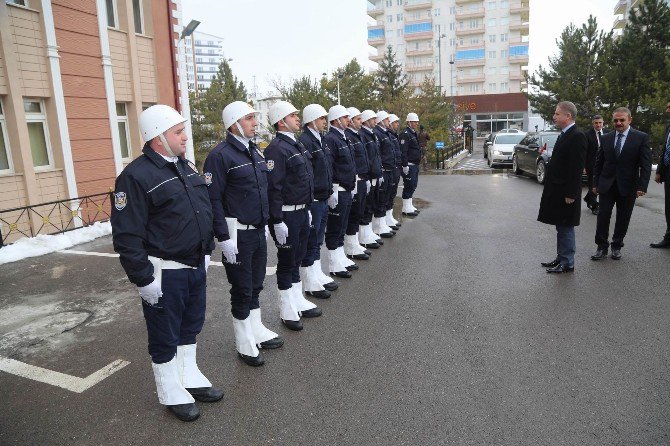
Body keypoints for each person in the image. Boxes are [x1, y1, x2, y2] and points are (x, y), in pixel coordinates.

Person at [112, 104, 223, 422]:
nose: (185, 136)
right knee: (165, 334)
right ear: (158, 137)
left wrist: (208, 247)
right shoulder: (135, 177)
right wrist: (143, 279)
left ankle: (188, 377)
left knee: (190, 326)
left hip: (194, 266)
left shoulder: (185, 167)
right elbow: (126, 234)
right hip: (165, 272)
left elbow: (201, 209)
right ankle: (170, 391)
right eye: (178, 132)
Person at [203, 101, 284, 367]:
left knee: (256, 283)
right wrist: (223, 238)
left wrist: (273, 222)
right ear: (234, 123)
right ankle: (244, 342)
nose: (255, 123)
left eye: (255, 118)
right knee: (241, 287)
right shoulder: (220, 156)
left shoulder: (255, 152)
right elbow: (213, 200)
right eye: (249, 118)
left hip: (257, 230)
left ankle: (256, 329)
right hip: (237, 234)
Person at [264, 101, 322, 331]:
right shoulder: (276, 149)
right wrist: (277, 220)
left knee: (297, 257)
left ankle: (297, 299)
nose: (298, 118)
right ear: (281, 121)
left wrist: (306, 208)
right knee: (287, 262)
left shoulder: (295, 144)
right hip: (286, 215)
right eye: (293, 115)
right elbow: (274, 187)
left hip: (300, 211)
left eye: (297, 115)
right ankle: (287, 308)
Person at [591, 107, 652, 260]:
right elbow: (599, 163)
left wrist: (642, 186)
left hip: (629, 186)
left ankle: (617, 246)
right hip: (606, 184)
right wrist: (595, 183)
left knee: (623, 217)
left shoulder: (641, 138)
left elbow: (646, 165)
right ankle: (601, 247)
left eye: (622, 120)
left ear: (629, 120)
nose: (618, 123)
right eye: (616, 120)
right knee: (603, 216)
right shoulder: (606, 138)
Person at [537, 101, 587, 273]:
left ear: (568, 116)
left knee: (566, 227)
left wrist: (572, 193)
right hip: (558, 190)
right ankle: (561, 258)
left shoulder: (577, 136)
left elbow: (576, 168)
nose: (554, 117)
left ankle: (567, 262)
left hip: (567, 192)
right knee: (560, 225)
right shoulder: (565, 134)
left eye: (557, 114)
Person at [298, 104, 340, 296]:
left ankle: (316, 273)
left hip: (323, 195)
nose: (325, 122)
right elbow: (307, 174)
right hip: (313, 199)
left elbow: (327, 168)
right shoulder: (306, 141)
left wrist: (330, 190)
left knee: (318, 238)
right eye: (322, 118)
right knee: (311, 239)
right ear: (312, 120)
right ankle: (310, 281)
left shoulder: (320, 139)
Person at [324, 105, 357, 278]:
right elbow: (331, 166)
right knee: (335, 228)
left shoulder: (344, 137)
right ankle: (333, 263)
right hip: (339, 189)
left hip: (347, 188)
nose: (348, 120)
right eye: (345, 118)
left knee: (342, 226)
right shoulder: (331, 139)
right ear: (336, 120)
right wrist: (333, 189)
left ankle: (340, 257)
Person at [344, 107, 373, 260]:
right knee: (353, 214)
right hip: (355, 179)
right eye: (357, 119)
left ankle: (354, 243)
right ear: (350, 121)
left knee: (359, 212)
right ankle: (350, 246)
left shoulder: (358, 135)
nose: (360, 122)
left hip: (362, 178)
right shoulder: (349, 136)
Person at [373, 110, 399, 232]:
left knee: (388, 195)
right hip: (384, 169)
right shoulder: (378, 133)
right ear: (382, 121)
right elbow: (378, 153)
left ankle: (384, 221)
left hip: (390, 169)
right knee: (381, 198)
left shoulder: (385, 133)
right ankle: (379, 224)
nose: (389, 121)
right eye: (387, 119)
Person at [650, 101, 670, 248]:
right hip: (668, 172)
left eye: (669, 107)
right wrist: (659, 171)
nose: (666, 109)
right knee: (669, 206)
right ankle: (668, 237)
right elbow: (665, 150)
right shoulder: (669, 126)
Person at [400, 113, 421, 216]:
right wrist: (404, 165)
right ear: (409, 122)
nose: (416, 123)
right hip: (409, 164)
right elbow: (403, 151)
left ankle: (409, 205)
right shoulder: (405, 134)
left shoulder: (413, 133)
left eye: (417, 122)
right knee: (408, 185)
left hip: (415, 164)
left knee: (413, 185)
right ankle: (405, 207)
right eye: (414, 122)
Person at [583, 115, 605, 214]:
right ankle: (594, 206)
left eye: (600, 123)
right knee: (593, 185)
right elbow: (584, 152)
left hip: (605, 165)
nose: (598, 125)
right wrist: (583, 166)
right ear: (593, 124)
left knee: (601, 184)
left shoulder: (609, 133)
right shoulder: (587, 134)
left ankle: (588, 198)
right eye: (596, 123)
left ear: (603, 123)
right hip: (591, 165)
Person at [385, 113, 403, 229]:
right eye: (395, 122)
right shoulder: (389, 135)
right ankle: (385, 218)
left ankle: (388, 216)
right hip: (390, 168)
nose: (397, 124)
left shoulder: (393, 135)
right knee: (387, 195)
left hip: (395, 166)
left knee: (392, 193)